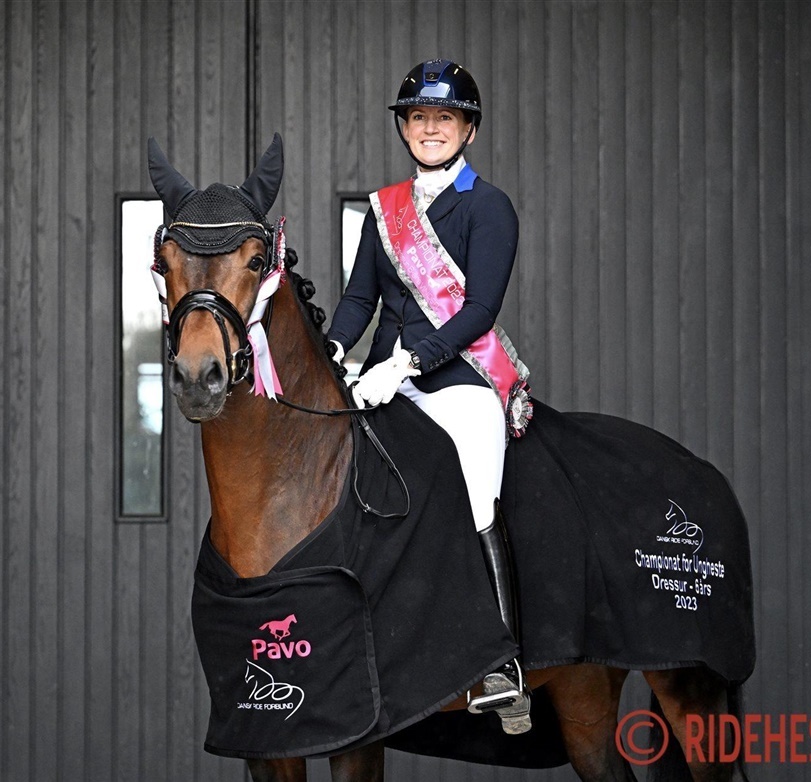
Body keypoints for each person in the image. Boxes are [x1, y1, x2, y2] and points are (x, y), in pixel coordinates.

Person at [326, 58, 535, 735]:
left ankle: (501, 665)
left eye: (445, 117)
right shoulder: (383, 210)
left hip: (457, 382)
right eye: (419, 117)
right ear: (405, 128)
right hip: (381, 383)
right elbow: (359, 299)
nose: (430, 128)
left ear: (469, 129)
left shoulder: (489, 206)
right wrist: (335, 350)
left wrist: (411, 362)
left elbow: (478, 310)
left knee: (476, 491)